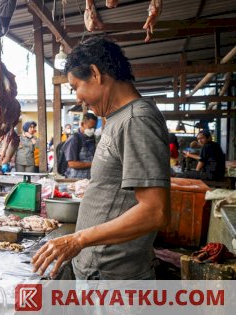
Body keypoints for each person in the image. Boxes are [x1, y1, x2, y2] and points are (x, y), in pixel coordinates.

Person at [31, 37, 170, 280]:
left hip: (114, 279)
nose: (77, 98)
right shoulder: (119, 118)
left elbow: (155, 211)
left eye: (76, 87)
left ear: (95, 74)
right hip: (100, 272)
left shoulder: (136, 120)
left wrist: (79, 239)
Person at [63, 113, 98, 179]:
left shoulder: (92, 139)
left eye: (94, 127)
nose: (93, 130)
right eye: (90, 127)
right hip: (75, 179)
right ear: (82, 124)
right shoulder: (74, 139)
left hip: (89, 178)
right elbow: (72, 163)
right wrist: (93, 164)